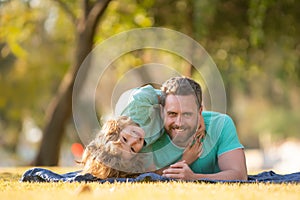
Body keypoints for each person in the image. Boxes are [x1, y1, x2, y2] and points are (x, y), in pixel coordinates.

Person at [151, 76, 248, 180]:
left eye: (187, 114)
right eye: (172, 114)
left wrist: (194, 177)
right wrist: (184, 161)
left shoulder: (220, 125)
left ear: (200, 112)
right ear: (161, 111)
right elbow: (134, 173)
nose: (179, 123)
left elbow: (239, 175)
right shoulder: (149, 130)